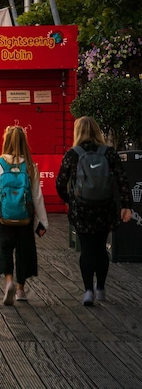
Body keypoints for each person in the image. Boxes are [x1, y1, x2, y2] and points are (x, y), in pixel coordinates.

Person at [55, 116, 133, 306]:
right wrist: (126, 206)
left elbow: (59, 183)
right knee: (100, 248)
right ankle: (101, 289)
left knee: (87, 249)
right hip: (105, 208)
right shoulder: (109, 153)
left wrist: (71, 201)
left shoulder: (73, 154)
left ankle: (88, 290)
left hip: (82, 210)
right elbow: (123, 180)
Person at [0, 125, 48, 305]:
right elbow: (37, 195)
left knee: (5, 247)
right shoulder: (30, 165)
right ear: (24, 142)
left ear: (6, 141)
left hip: (3, 213)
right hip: (25, 214)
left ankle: (8, 281)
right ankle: (21, 290)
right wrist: (42, 221)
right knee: (23, 248)